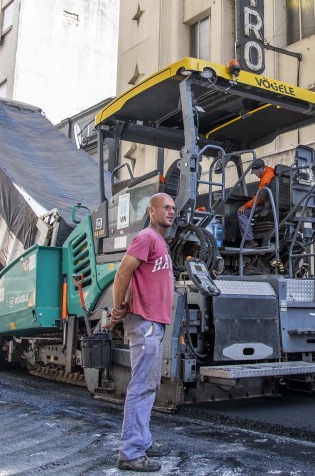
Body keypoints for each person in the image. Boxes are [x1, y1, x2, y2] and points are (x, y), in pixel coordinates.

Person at [109, 193, 176, 472]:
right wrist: (117, 308)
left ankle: (142, 442)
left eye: (174, 208)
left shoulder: (160, 241)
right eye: (166, 207)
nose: (171, 212)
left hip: (154, 322)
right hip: (144, 321)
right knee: (141, 386)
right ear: (151, 211)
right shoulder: (146, 238)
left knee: (150, 385)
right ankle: (131, 452)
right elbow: (123, 273)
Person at [236, 158, 275, 248]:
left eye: (258, 172)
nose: (257, 174)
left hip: (267, 205)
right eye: (255, 172)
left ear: (262, 168)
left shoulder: (265, 179)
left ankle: (249, 241)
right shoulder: (270, 170)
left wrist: (245, 206)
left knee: (242, 213)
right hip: (273, 203)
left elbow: (260, 199)